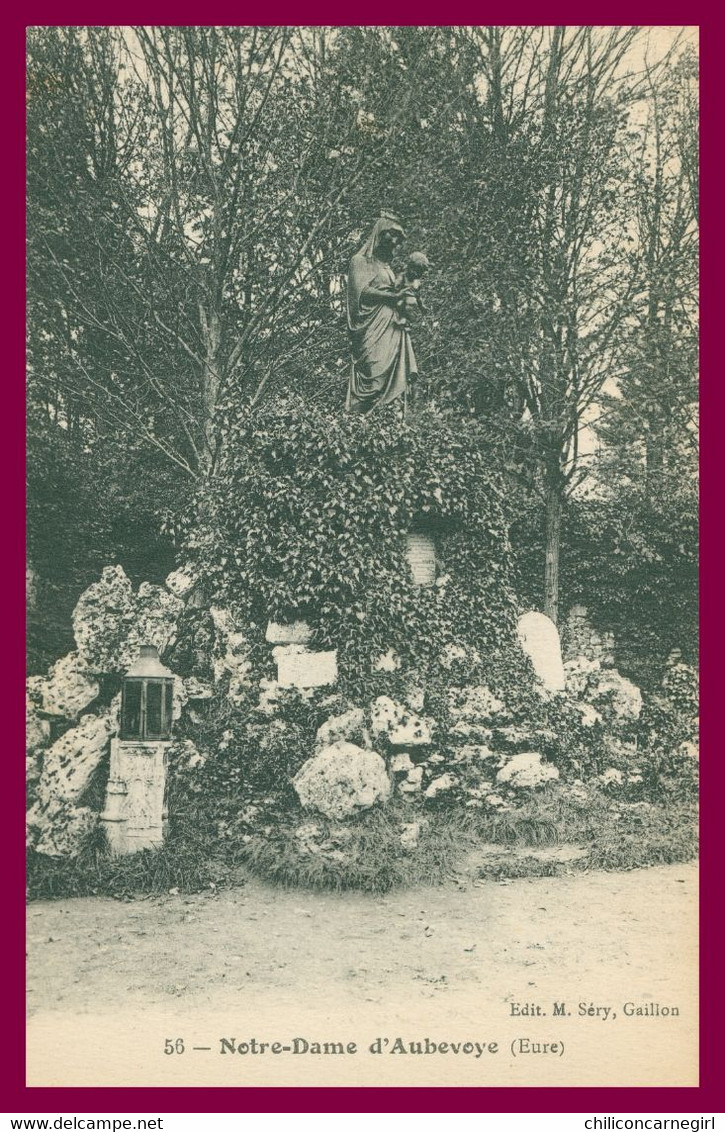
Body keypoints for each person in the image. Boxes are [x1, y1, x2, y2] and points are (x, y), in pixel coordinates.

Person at [345, 213, 419, 415]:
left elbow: (397, 296)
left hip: (391, 329)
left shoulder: (388, 269)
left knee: (391, 389)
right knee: (374, 383)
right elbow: (361, 294)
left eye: (399, 239)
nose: (395, 242)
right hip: (370, 330)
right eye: (392, 235)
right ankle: (355, 428)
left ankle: (382, 431)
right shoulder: (359, 261)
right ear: (379, 233)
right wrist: (393, 297)